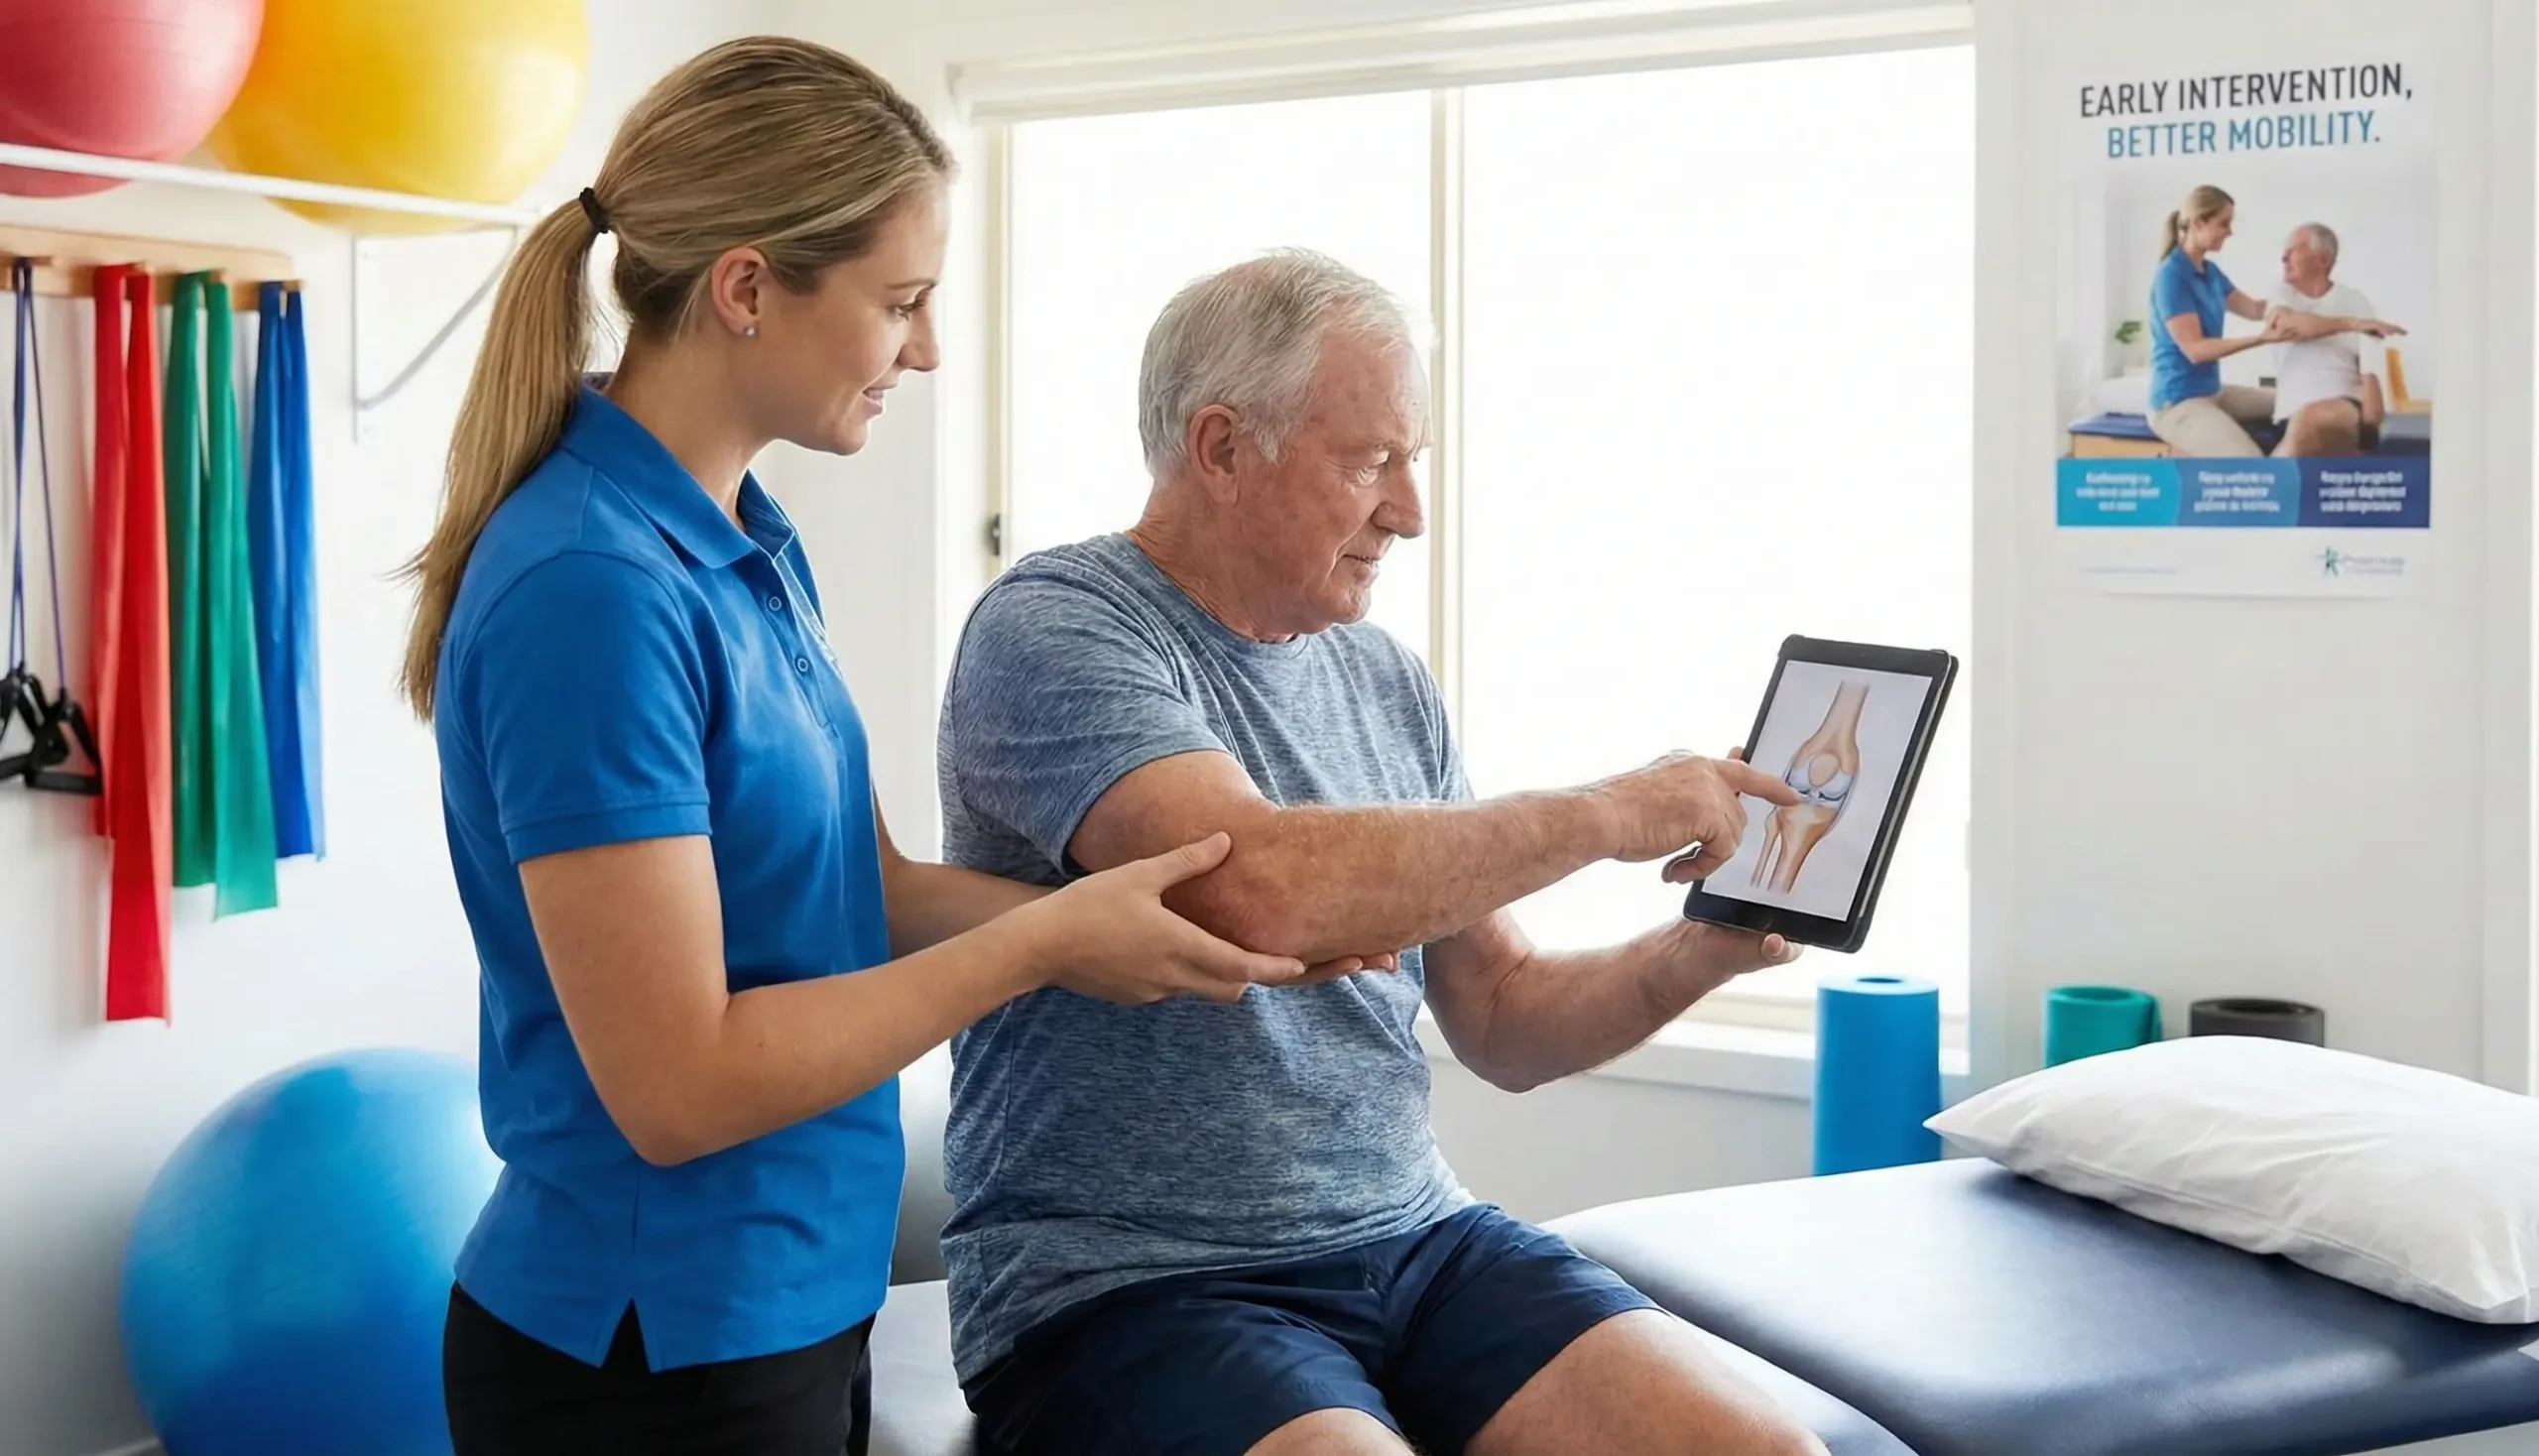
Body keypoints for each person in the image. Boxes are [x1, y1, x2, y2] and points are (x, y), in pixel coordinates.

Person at [404, 39, 1341, 1456]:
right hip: (650, 1354)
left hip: (792, 1301)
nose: (928, 349)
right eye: (900, 301)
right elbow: (680, 1085)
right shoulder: (590, 589)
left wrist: (1141, 922)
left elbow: (863, 888)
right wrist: (1036, 950)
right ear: (746, 288)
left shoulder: (745, 544)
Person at [935, 247, 1830, 1456]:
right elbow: (1255, 888)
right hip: (1132, 1281)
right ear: (1219, 447)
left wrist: (1697, 950)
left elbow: (1503, 1016)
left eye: (1411, 462)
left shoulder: (1382, 678)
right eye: (1369, 462)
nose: (1407, 510)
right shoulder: (1056, 625)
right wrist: (1608, 812)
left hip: (1416, 1236)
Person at [2144, 183, 2291, 456]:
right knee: (2250, 462)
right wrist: (2261, 339)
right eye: (2224, 223)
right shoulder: (2171, 277)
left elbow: (2255, 309)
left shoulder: (2210, 272)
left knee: (2296, 401)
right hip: (2177, 404)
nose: (2230, 231)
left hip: (2213, 393)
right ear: (2199, 223)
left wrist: (2292, 293)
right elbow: (2196, 350)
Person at [2263, 221, 2407, 457]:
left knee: (2318, 419)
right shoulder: (2281, 294)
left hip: (2342, 405)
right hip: (2290, 417)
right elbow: (2285, 326)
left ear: (2323, 260)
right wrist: (2350, 324)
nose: (2283, 258)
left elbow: (2370, 369)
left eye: (2295, 250)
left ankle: (2271, 480)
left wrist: (2370, 426)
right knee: (2308, 422)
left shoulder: (2355, 301)